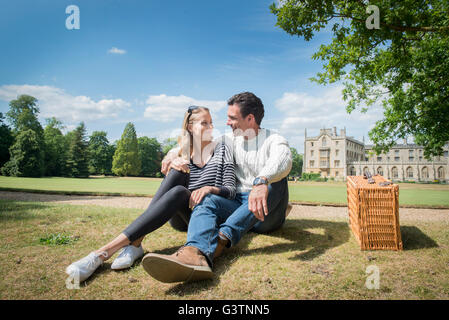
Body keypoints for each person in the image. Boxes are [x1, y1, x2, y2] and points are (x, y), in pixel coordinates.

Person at [65, 106, 236, 283]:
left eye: (211, 123)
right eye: (204, 123)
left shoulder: (222, 148)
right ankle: (134, 243)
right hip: (182, 215)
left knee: (179, 188)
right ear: (191, 127)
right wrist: (174, 160)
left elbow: (230, 191)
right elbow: (174, 160)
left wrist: (209, 188)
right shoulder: (182, 152)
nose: (210, 127)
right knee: (177, 174)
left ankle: (103, 253)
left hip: (205, 215)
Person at [141, 92, 292, 283]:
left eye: (232, 118)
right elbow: (196, 142)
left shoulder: (273, 139)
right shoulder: (228, 140)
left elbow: (284, 159)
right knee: (207, 197)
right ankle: (194, 252)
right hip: (237, 203)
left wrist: (261, 180)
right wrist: (172, 155)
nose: (227, 122)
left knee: (276, 182)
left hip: (264, 215)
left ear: (250, 118)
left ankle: (221, 240)